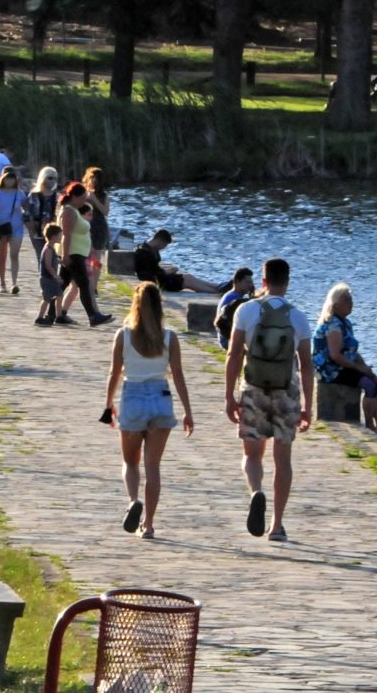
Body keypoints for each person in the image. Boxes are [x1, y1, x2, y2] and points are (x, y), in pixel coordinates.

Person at [224, 257, 313, 542]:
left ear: (263, 281)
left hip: (254, 387)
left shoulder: (247, 311)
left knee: (251, 454)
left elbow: (234, 354)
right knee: (282, 459)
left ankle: (256, 491)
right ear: (287, 282)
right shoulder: (298, 317)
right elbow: (307, 365)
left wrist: (229, 395)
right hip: (287, 391)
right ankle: (276, 525)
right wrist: (308, 405)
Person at [103, 282, 194, 540]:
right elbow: (178, 376)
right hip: (161, 399)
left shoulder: (123, 335)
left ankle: (133, 500)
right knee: (153, 466)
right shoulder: (169, 338)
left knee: (130, 462)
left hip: (132, 397)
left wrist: (108, 405)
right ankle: (149, 525)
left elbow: (114, 373)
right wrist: (188, 411)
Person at [310, 282, 377, 442]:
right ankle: (370, 425)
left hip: (344, 367)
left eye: (351, 299)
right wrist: (359, 368)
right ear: (335, 304)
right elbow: (335, 356)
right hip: (331, 370)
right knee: (369, 385)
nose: (351, 303)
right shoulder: (333, 324)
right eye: (347, 300)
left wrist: (365, 367)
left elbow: (352, 351)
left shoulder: (345, 323)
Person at [55, 181, 112, 327]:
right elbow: (66, 236)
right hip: (73, 254)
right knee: (84, 285)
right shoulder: (68, 211)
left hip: (78, 253)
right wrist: (66, 256)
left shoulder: (73, 210)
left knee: (62, 285)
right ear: (74, 196)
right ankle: (93, 316)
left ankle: (55, 314)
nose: (84, 200)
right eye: (82, 197)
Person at [133, 229, 220, 293]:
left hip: (160, 278)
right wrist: (169, 271)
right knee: (187, 282)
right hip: (156, 282)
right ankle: (215, 291)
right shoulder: (144, 252)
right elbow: (153, 273)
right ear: (160, 241)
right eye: (164, 245)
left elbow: (154, 269)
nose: (164, 248)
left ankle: (217, 286)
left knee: (187, 276)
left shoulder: (150, 249)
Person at [0, 167, 27, 294]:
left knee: (14, 255)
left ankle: (14, 283)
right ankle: (2, 283)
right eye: (7, 179)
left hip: (17, 227)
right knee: (2, 256)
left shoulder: (20, 194)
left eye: (12, 179)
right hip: (1, 227)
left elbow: (27, 209)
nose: (10, 181)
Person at [83, 167, 111, 294]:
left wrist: (94, 199)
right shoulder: (83, 192)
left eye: (96, 179)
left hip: (99, 226)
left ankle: (94, 286)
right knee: (86, 256)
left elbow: (105, 211)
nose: (93, 181)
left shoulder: (103, 195)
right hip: (85, 226)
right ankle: (87, 283)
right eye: (91, 177)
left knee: (97, 258)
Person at [214, 267, 254, 350]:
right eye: (247, 282)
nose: (250, 285)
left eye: (251, 282)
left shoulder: (232, 295)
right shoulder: (234, 300)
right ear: (237, 281)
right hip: (227, 340)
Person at [25, 166, 61, 258]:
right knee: (41, 257)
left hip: (54, 234)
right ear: (43, 178)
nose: (52, 181)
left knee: (53, 259)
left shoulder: (57, 196)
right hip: (37, 232)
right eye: (50, 178)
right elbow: (27, 214)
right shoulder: (34, 195)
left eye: (55, 178)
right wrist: (32, 232)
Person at [34, 224, 64, 326]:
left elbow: (54, 261)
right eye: (60, 235)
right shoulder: (48, 249)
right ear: (54, 236)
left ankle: (59, 316)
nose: (61, 237)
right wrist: (56, 276)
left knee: (59, 295)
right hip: (47, 279)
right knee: (46, 299)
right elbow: (48, 265)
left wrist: (60, 261)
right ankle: (39, 318)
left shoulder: (52, 248)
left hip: (52, 279)